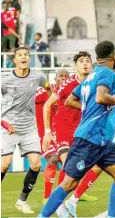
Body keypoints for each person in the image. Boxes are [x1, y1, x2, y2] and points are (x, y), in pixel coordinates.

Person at [38, 40, 115, 218]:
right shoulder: (106, 72)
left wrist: (88, 107)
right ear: (114, 56)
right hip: (89, 138)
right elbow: (101, 97)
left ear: (97, 58)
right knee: (69, 183)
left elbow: (70, 101)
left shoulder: (92, 76)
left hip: (101, 139)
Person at [42, 52, 98, 216]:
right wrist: (47, 132)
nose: (85, 64)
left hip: (80, 130)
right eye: (81, 61)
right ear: (76, 66)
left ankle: (71, 201)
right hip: (62, 128)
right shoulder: (68, 83)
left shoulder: (94, 84)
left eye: (88, 61)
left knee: (93, 166)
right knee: (70, 166)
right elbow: (47, 105)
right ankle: (58, 204)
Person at [1, 47, 48, 214]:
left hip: (29, 127)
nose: (23, 57)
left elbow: (49, 87)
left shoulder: (38, 76)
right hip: (8, 127)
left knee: (36, 164)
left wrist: (52, 96)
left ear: (29, 58)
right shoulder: (5, 81)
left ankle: (21, 201)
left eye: (26, 55)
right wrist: (5, 124)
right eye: (19, 55)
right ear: (14, 60)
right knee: (4, 165)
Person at [36, 69, 69, 204]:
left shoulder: (70, 92)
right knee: (53, 159)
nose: (64, 78)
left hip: (63, 132)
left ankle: (72, 193)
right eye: (60, 76)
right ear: (55, 79)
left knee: (71, 163)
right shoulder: (45, 91)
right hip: (46, 133)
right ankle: (47, 197)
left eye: (66, 76)